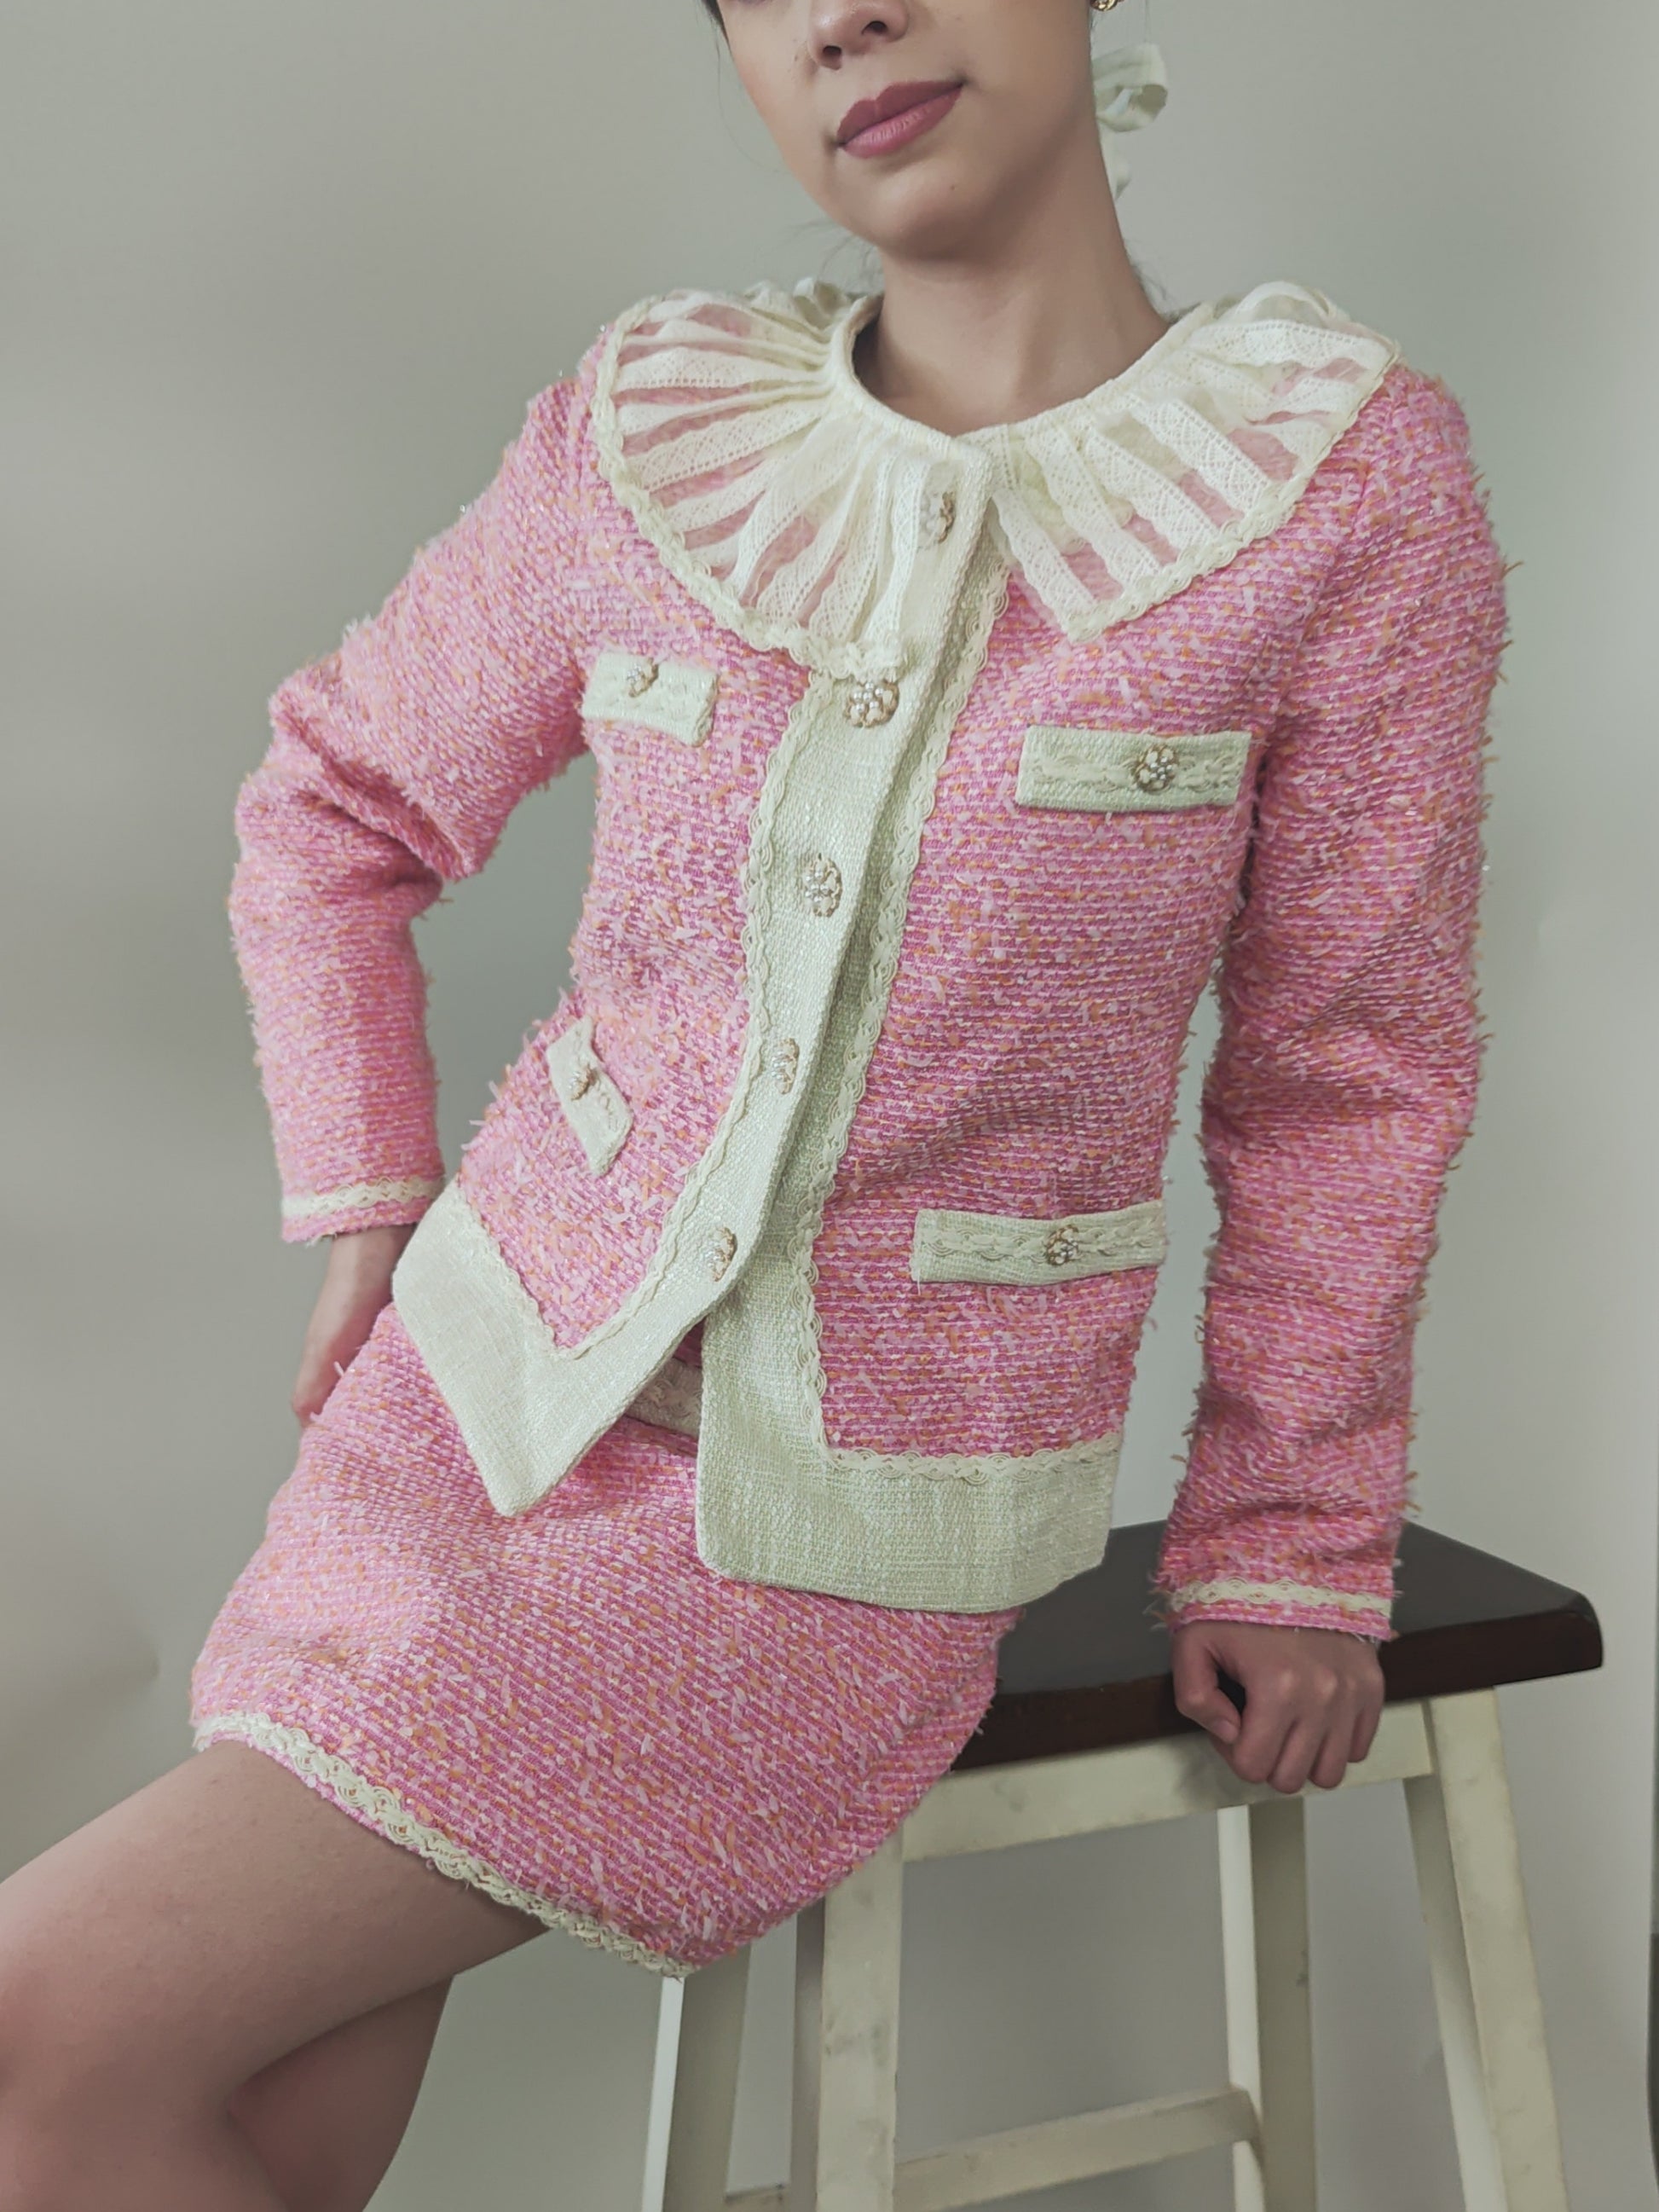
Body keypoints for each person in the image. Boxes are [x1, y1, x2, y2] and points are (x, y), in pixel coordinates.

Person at [0, 2, 1509, 2203]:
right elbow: (331, 803)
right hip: (461, 1408)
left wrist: (1289, 1529)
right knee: (219, 2118)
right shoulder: (650, 432)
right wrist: (367, 1199)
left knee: (40, 2031)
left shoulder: (1338, 485)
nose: (839, 17)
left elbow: (1346, 1071)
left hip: (828, 1537)